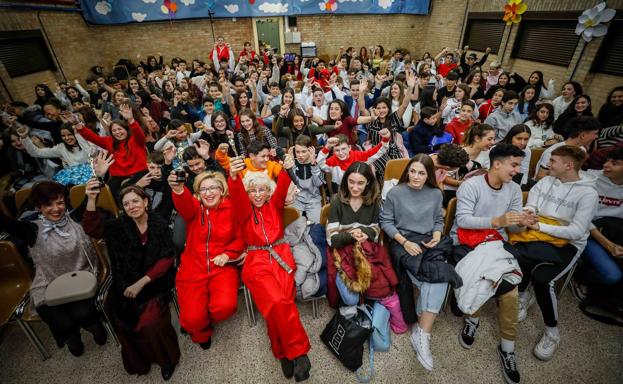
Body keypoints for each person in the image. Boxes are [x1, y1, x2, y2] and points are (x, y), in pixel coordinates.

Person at [82, 181, 180, 380]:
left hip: (153, 284)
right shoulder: (118, 227)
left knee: (151, 324)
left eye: (136, 201)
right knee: (121, 319)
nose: (132, 206)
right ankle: (141, 360)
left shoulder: (158, 224)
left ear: (146, 202)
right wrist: (91, 199)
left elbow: (167, 258)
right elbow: (92, 228)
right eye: (126, 204)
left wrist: (142, 282)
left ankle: (166, 359)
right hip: (124, 284)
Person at [227, 154, 312, 382]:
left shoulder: (274, 204)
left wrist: (288, 166)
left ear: (268, 192)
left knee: (280, 308)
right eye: (253, 190)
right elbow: (236, 194)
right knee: (277, 303)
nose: (257, 194)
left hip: (282, 257)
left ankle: (282, 352)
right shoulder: (243, 211)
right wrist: (233, 177)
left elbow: (283, 182)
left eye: (261, 190)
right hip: (256, 260)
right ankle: (299, 353)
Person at [451, 144, 530, 384]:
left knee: (510, 291)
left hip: (495, 244)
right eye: (513, 165)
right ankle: (472, 318)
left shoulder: (514, 190)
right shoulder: (471, 185)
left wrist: (524, 222)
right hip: (467, 241)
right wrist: (497, 220)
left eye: (519, 165)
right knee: (477, 279)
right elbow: (463, 220)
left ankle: (507, 348)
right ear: (497, 164)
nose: (517, 170)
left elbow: (512, 226)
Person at [0, 181, 107, 357]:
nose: (56, 208)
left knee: (83, 313)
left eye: (60, 202)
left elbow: (90, 199)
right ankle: (71, 338)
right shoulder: (31, 229)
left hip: (81, 276)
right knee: (61, 321)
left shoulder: (76, 217)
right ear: (38, 207)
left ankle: (94, 326)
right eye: (48, 204)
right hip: (49, 282)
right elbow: (5, 223)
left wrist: (98, 177)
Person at [513, 145, 598, 361]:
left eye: (553, 161)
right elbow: (531, 204)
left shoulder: (588, 193)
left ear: (569, 165)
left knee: (542, 279)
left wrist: (540, 227)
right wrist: (529, 215)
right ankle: (523, 295)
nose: (548, 164)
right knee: (518, 255)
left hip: (567, 243)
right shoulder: (545, 181)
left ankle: (552, 332)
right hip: (539, 233)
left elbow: (576, 231)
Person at [380, 155, 461, 371]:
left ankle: (422, 333)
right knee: (438, 276)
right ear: (407, 171)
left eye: (421, 173)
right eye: (413, 171)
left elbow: (437, 219)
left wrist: (436, 233)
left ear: (429, 175)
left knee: (439, 277)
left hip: (428, 240)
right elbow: (385, 221)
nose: (416, 177)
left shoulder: (435, 194)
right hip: (403, 241)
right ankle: (422, 332)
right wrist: (404, 242)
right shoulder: (396, 192)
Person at [168, 168, 244, 349]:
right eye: (203, 189)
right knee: (192, 321)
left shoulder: (232, 208)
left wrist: (228, 254)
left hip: (222, 266)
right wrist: (178, 190)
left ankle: (205, 316)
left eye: (213, 188)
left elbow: (241, 237)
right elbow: (184, 203)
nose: (209, 193)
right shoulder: (194, 209)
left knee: (225, 308)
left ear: (221, 190)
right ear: (198, 193)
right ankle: (201, 330)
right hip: (193, 268)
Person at [326, 161, 398, 305]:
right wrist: (351, 235)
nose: (355, 187)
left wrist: (365, 232)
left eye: (360, 183)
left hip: (366, 250)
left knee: (381, 289)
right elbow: (331, 239)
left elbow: (377, 231)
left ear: (368, 183)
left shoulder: (374, 201)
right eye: (351, 182)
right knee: (352, 299)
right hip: (342, 251)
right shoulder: (336, 201)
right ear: (346, 181)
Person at [573, 147, 623, 297]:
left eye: (614, 163)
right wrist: (608, 244)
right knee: (612, 275)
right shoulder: (590, 179)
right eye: (607, 160)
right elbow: (579, 218)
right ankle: (579, 277)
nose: (606, 165)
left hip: (616, 233)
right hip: (588, 232)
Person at [76, 103, 148, 198]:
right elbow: (93, 138)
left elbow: (138, 133)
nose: (117, 132)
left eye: (120, 129)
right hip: (118, 175)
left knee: (125, 190)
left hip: (139, 172)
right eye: (114, 131)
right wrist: (77, 124)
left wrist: (131, 120)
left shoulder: (135, 139)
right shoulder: (109, 141)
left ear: (127, 130)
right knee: (107, 192)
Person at [16, 123, 94, 186]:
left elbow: (91, 152)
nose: (66, 138)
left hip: (93, 181)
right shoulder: (61, 148)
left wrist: (78, 134)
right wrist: (24, 137)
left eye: (70, 134)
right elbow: (36, 153)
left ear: (76, 134)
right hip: (75, 185)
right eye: (63, 136)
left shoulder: (87, 143)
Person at [317, 130, 390, 188]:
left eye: (343, 149)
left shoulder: (358, 156)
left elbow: (376, 152)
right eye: (337, 150)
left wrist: (386, 138)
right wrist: (327, 147)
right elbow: (320, 163)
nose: (341, 153)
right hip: (340, 188)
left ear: (349, 148)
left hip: (358, 188)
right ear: (333, 151)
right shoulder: (333, 160)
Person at [535, 116, 600, 180]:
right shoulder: (553, 151)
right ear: (583, 135)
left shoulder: (582, 150)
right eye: (595, 133)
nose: (596, 137)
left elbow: (576, 172)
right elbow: (540, 176)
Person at [290, 135, 324, 223]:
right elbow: (293, 183)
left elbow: (318, 183)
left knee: (317, 225)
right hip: (297, 199)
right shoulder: (294, 162)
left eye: (304, 151)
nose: (300, 155)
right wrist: (291, 167)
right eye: (297, 152)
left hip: (313, 200)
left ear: (310, 150)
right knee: (293, 225)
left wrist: (313, 164)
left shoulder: (317, 162)